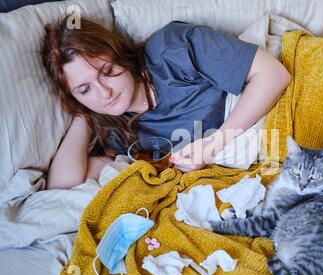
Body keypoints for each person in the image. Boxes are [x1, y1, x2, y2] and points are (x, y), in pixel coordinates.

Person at [41, 16, 291, 190]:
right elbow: (64, 186)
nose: (104, 92)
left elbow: (274, 75)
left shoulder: (172, 49)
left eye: (106, 71)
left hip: (268, 111)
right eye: (84, 89)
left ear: (118, 54)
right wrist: (81, 113)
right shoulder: (116, 131)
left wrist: (213, 144)